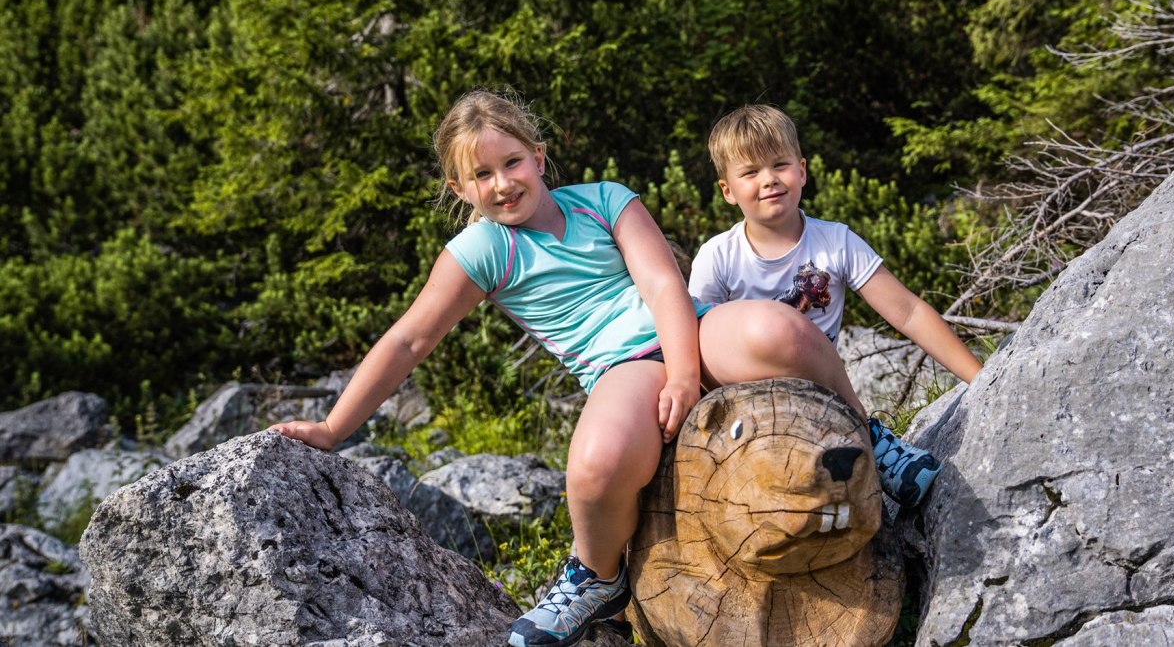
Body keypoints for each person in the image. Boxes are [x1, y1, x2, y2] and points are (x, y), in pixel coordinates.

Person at [271, 91, 868, 647]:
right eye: (482, 175)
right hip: (622, 366)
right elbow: (407, 340)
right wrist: (333, 429)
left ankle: (872, 439)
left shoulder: (606, 200)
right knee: (595, 466)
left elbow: (663, 287)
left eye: (512, 163)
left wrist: (686, 375)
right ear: (459, 187)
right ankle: (596, 576)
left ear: (538, 155)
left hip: (692, 329)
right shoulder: (481, 251)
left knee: (780, 327)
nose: (502, 184)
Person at [688, 103, 984, 509]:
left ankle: (871, 446)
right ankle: (865, 442)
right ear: (727, 190)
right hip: (748, 406)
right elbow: (697, 345)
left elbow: (908, 312)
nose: (769, 180)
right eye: (750, 172)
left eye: (780, 164)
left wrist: (981, 380)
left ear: (803, 171)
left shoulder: (836, 242)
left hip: (824, 396)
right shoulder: (717, 257)